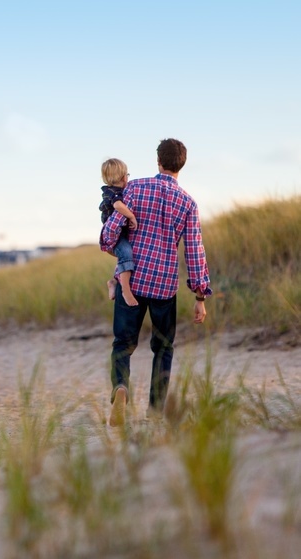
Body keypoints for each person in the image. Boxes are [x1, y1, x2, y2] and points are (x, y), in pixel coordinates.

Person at [100, 138, 212, 426]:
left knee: (122, 344)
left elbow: (110, 232)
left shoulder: (135, 188)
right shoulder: (188, 203)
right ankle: (155, 410)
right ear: (181, 165)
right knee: (163, 348)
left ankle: (121, 388)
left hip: (133, 280)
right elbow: (194, 251)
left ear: (158, 161)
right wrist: (200, 297)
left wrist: (112, 243)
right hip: (164, 285)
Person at [99, 158, 139, 307]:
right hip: (114, 236)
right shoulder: (113, 193)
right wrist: (131, 215)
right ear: (124, 177)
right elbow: (118, 206)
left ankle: (114, 282)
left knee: (125, 257)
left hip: (119, 233)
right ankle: (126, 291)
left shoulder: (117, 191)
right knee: (126, 253)